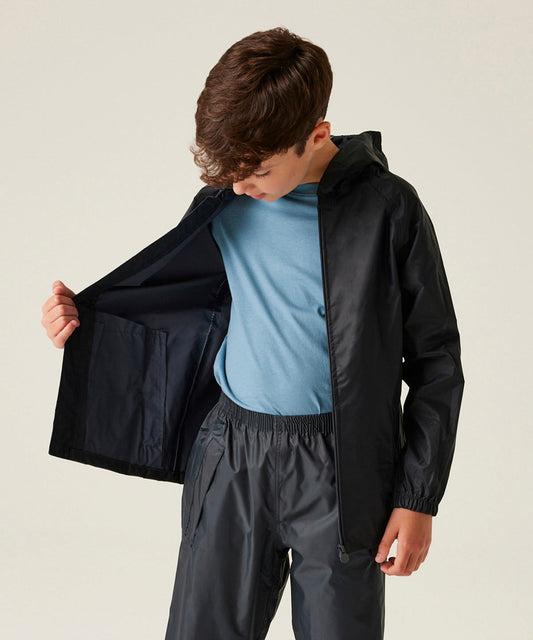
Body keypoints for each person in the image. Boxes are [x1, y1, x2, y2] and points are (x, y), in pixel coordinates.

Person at [41, 27, 464, 640]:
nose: (241, 186)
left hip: (343, 467)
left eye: (258, 171)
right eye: (233, 174)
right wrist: (81, 324)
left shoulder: (388, 210)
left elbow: (437, 361)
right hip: (233, 453)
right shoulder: (227, 201)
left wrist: (418, 497)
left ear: (316, 135)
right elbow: (172, 302)